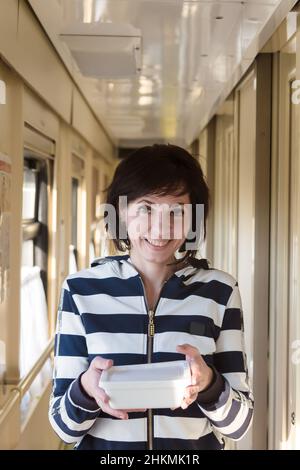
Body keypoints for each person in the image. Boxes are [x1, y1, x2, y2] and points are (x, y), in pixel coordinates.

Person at [49, 144, 253, 450]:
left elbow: (239, 426)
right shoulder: (81, 291)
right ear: (121, 211)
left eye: (177, 212)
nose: (160, 228)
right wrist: (86, 390)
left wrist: (209, 383)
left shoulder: (220, 291)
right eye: (145, 208)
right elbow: (64, 429)